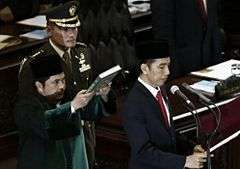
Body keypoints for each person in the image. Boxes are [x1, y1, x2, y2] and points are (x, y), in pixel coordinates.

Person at [18, 1, 116, 169]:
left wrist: (103, 93)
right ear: (49, 30)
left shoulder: (82, 51)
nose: (72, 34)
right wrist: (71, 107)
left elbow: (88, 92)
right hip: (55, 146)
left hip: (84, 134)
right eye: (65, 29)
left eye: (75, 28)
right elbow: (32, 115)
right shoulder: (34, 63)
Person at [122, 41, 207, 169]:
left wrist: (191, 146)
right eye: (161, 67)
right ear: (145, 68)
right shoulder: (133, 103)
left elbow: (168, 134)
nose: (167, 72)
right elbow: (143, 152)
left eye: (168, 65)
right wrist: (184, 161)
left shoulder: (161, 89)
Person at [15, 53, 104, 169]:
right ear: (39, 86)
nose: (62, 86)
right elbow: (46, 126)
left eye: (63, 80)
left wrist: (98, 95)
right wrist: (71, 107)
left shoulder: (65, 96)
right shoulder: (25, 107)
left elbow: (90, 114)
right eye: (56, 82)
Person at [150, 0, 224, 78]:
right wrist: (174, 77)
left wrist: (219, 64)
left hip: (212, 67)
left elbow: (214, 24)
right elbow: (164, 37)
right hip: (182, 71)